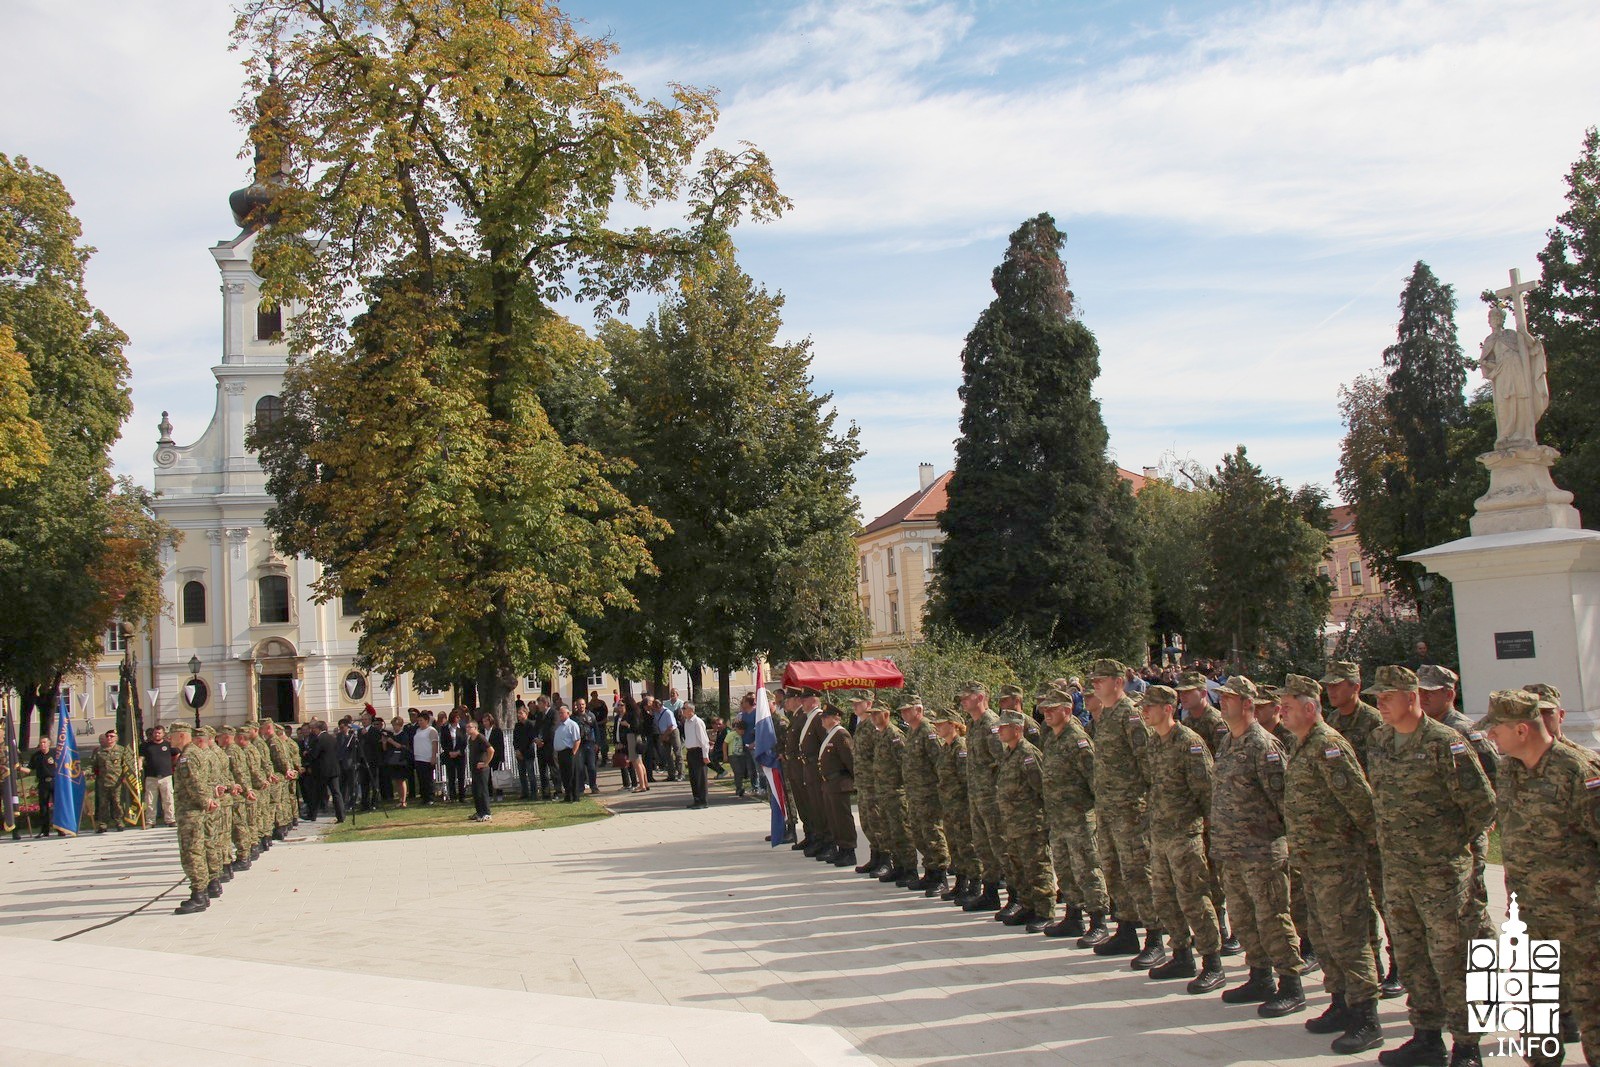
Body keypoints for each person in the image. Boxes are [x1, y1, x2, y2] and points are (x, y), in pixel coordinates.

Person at [1364, 666, 1494, 1067]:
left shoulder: (1445, 742)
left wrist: (1447, 850)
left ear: (1412, 697)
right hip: (1399, 873)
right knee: (1413, 956)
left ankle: (1467, 1046)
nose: (1380, 704)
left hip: (1441, 877)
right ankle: (1426, 1036)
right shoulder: (1380, 740)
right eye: (1378, 697)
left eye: (1388, 697)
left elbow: (1482, 805)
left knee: (1451, 961)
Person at [1481, 688, 1600, 1067]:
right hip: (1528, 913)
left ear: (1521, 729)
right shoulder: (1509, 768)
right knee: (1535, 1017)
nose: (1490, 735)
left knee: (1593, 1008)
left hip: (1581, 918)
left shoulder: (1578, 770)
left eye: (1495, 728)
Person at [1278, 674, 1384, 1054]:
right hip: (1313, 862)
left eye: (1287, 707)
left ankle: (1366, 1017)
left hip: (1338, 861)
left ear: (1310, 708)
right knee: (1323, 937)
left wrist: (1364, 850)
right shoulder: (1302, 744)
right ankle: (1339, 1002)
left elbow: (1360, 802)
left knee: (1349, 938)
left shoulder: (1328, 746)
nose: (1281, 713)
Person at [1210, 675, 1304, 1016]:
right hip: (1232, 852)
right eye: (1221, 697)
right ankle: (1259, 976)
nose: (1223, 702)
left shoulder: (1264, 746)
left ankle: (1290, 983)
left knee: (1272, 918)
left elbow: (1284, 802)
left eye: (1230, 698)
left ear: (1249, 704)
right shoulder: (1227, 742)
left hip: (1261, 851)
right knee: (1244, 918)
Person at [1321, 659, 1402, 999]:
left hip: (1373, 824)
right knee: (1359, 902)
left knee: (1387, 900)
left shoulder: (1373, 722)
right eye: (1327, 685)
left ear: (1355, 687)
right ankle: (1371, 964)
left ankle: (1398, 963)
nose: (1330, 690)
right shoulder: (1333, 722)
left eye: (1337, 684)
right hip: (1347, 829)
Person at [1137, 685, 1225, 991]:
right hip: (1159, 835)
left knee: (1194, 898)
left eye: (1149, 706)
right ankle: (1181, 953)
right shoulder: (1153, 744)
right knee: (1164, 898)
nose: (1144, 711)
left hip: (1185, 834)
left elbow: (1208, 792)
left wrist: (1209, 833)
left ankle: (1212, 961)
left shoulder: (1189, 743)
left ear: (1167, 708)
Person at [1085, 660, 1158, 962]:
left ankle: (1155, 938)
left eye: (1100, 680)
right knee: (1114, 872)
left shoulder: (1131, 716)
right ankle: (1126, 930)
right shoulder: (1107, 716)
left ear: (1119, 682)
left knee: (1139, 874)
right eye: (1093, 681)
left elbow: (1149, 765)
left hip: (1130, 811)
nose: (1094, 686)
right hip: (1108, 809)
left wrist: (1145, 807)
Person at [1034, 687, 1109, 943]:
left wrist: (1095, 816)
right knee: (1065, 869)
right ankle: (1073, 916)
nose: (1047, 713)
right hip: (1058, 818)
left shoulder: (1078, 740)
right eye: (1045, 709)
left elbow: (1094, 781)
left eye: (1052, 709)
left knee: (1087, 869)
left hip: (1079, 819)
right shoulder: (1053, 738)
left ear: (1067, 711)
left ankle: (1098, 920)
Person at [993, 707, 1053, 931]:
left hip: (1030, 823)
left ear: (1017, 729)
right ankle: (1027, 906)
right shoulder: (1009, 752)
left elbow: (1041, 789)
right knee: (1019, 868)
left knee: (1037, 867)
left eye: (1004, 727)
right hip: (1012, 823)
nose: (999, 730)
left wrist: (1043, 820)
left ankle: (1045, 910)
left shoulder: (1028, 754)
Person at [899, 695, 949, 895]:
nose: (903, 713)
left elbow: (939, 762)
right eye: (902, 710)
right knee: (920, 835)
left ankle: (941, 876)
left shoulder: (928, 731)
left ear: (918, 710)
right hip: (915, 794)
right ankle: (929, 872)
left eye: (907, 709)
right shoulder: (912, 731)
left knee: (933, 833)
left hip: (929, 794)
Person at [168, 722, 215, 914]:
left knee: (192, 853)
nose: (169, 740)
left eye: (171, 736)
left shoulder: (187, 757)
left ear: (180, 736)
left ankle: (198, 894)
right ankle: (202, 893)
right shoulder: (197, 752)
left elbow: (195, 784)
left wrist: (205, 801)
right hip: (195, 811)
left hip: (191, 812)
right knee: (199, 850)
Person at [816, 703, 856, 865]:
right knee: (833, 818)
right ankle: (841, 848)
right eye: (823, 717)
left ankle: (849, 850)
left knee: (842, 818)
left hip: (839, 782)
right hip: (829, 783)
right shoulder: (830, 734)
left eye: (826, 717)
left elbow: (850, 760)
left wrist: (854, 781)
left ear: (836, 718)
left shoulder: (841, 735)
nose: (823, 720)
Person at [92, 729, 133, 832]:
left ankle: (119, 822)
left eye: (112, 736)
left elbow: (127, 766)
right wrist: (85, 772)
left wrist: (126, 777)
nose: (109, 738)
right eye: (108, 736)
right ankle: (103, 824)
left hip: (117, 782)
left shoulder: (122, 750)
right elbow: (93, 765)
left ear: (116, 738)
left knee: (117, 803)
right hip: (103, 782)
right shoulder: (99, 751)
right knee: (103, 804)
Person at [140, 725, 177, 828]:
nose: (157, 735)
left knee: (168, 799)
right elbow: (141, 758)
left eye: (159, 733)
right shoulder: (146, 746)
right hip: (151, 777)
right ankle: (150, 821)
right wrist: (139, 766)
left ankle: (170, 820)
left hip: (166, 776)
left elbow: (177, 754)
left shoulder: (168, 745)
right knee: (150, 800)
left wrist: (173, 764)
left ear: (163, 734)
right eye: (155, 733)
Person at [27, 734, 57, 837]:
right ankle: (45, 830)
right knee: (43, 807)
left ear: (49, 743)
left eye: (44, 742)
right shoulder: (36, 756)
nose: (42, 744)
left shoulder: (55, 753)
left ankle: (60, 828)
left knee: (58, 805)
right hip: (43, 783)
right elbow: (29, 769)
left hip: (55, 782)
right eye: (41, 743)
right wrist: (18, 768)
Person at [682, 701, 711, 809]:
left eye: (684, 708)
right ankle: (696, 799)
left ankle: (703, 801)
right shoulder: (686, 722)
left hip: (698, 751)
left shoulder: (697, 722)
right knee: (693, 777)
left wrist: (705, 755)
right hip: (690, 751)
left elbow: (704, 740)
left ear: (691, 710)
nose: (683, 710)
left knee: (700, 777)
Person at [551, 703, 581, 802]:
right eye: (559, 713)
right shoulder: (559, 726)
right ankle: (568, 795)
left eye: (562, 713)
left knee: (572, 775)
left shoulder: (572, 725)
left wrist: (573, 752)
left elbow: (577, 740)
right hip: (561, 753)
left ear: (568, 713)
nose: (560, 715)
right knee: (564, 775)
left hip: (569, 752)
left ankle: (574, 796)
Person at [467, 719, 494, 822]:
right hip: (474, 768)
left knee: (483, 791)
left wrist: (486, 763)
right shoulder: (471, 739)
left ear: (475, 728)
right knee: (476, 791)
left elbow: (491, 750)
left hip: (482, 769)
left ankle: (487, 813)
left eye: (470, 727)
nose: (468, 729)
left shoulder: (480, 738)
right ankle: (479, 812)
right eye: (467, 727)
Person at [411, 710, 440, 805]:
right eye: (418, 721)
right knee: (421, 779)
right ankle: (424, 797)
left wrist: (433, 757)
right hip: (418, 758)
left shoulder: (431, 730)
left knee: (428, 779)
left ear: (427, 720)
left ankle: (430, 798)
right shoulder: (418, 730)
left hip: (427, 758)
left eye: (421, 720)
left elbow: (434, 744)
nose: (419, 722)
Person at [655, 697, 684, 782]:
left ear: (660, 706)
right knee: (668, 755)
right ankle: (671, 775)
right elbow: (657, 724)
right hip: (664, 734)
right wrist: (662, 735)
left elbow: (671, 726)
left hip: (673, 733)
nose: (654, 709)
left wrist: (665, 735)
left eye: (655, 707)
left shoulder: (667, 712)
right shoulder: (656, 713)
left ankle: (681, 774)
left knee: (677, 753)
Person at [513, 705, 537, 800]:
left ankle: (534, 793)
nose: (519, 715)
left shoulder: (530, 724)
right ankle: (525, 792)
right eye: (518, 713)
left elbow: (529, 739)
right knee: (522, 774)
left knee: (531, 774)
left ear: (526, 714)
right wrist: (517, 750)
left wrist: (522, 751)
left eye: (521, 713)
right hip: (519, 753)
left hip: (528, 752)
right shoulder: (517, 725)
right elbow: (515, 739)